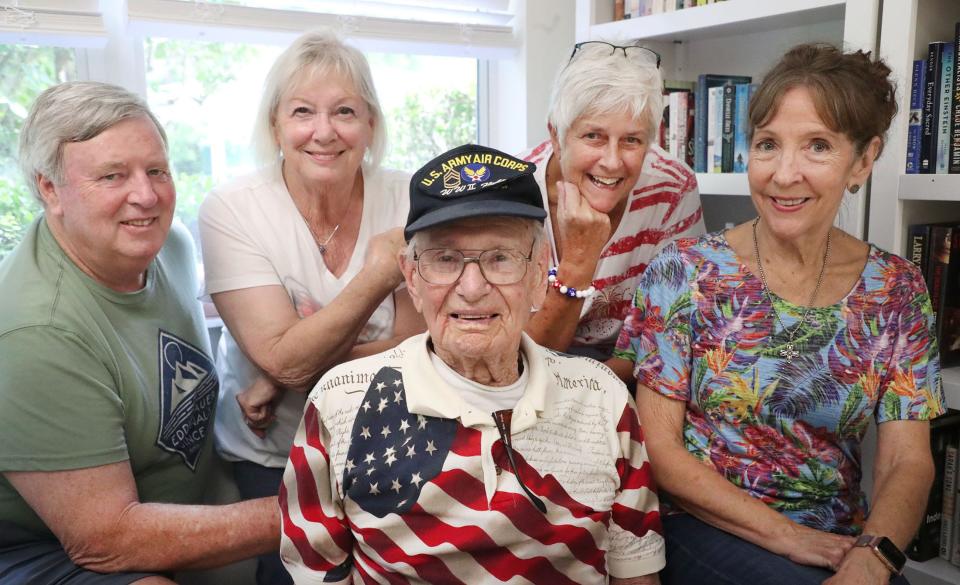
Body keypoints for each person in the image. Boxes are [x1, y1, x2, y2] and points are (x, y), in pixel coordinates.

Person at [614, 43, 944, 585]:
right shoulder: (685, 272)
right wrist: (792, 539)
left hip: (840, 534)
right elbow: (661, 451)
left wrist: (873, 556)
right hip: (701, 525)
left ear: (863, 159)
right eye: (768, 145)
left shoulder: (897, 291)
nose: (784, 174)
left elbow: (906, 462)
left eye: (817, 146)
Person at [278, 144, 665, 584]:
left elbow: (636, 576)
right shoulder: (340, 402)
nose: (473, 287)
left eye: (500, 258)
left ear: (540, 275)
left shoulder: (603, 398)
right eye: (445, 259)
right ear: (412, 279)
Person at [0, 81, 278, 584]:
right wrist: (305, 513)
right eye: (112, 176)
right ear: (48, 188)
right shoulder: (34, 331)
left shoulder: (168, 244)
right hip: (51, 546)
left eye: (156, 170)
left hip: (196, 498)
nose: (146, 195)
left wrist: (273, 368)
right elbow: (106, 538)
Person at [198, 29, 422, 584]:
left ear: (370, 125)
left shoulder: (411, 196)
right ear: (275, 125)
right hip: (276, 455)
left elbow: (421, 348)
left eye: (345, 111)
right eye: (302, 112)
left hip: (388, 440)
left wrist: (285, 375)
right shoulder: (232, 209)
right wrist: (376, 275)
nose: (324, 132)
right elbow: (285, 357)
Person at [519, 40, 705, 374]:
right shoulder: (511, 191)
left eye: (632, 140)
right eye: (594, 136)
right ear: (556, 137)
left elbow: (667, 344)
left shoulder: (672, 189)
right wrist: (579, 260)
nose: (612, 161)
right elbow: (514, 362)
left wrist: (590, 392)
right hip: (522, 384)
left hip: (622, 386)